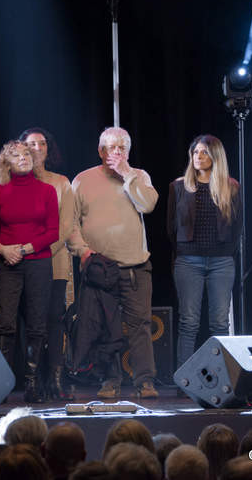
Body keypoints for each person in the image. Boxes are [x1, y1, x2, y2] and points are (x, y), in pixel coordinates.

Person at [67, 127, 159, 399]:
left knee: (140, 325)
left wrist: (127, 174)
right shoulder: (82, 180)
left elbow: (148, 205)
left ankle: (145, 381)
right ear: (100, 151)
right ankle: (109, 380)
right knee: (105, 328)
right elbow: (70, 223)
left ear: (128, 152)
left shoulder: (139, 176)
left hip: (135, 266)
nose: (115, 152)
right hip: (99, 268)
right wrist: (83, 252)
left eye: (121, 148)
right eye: (110, 147)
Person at [0, 140, 59, 403]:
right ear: (7, 163)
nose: (23, 158)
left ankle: (31, 384)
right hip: (9, 264)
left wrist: (28, 248)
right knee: (6, 325)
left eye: (26, 154)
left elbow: (53, 231)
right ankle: (4, 384)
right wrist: (4, 250)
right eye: (16, 155)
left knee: (37, 324)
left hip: (38, 262)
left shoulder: (47, 191)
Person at [168, 135, 241, 366]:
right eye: (195, 152)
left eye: (204, 152)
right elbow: (171, 227)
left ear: (215, 156)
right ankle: (185, 379)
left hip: (221, 261)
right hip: (188, 261)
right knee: (189, 322)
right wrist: (182, 250)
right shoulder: (179, 186)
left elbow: (237, 226)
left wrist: (227, 252)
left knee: (220, 323)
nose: (198, 157)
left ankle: (219, 376)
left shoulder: (231, 186)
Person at [20, 127, 75, 399]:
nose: (38, 148)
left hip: (53, 263)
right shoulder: (14, 182)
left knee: (55, 322)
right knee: (32, 323)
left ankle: (55, 382)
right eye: (32, 144)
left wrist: (39, 251)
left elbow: (65, 227)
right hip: (25, 266)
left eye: (42, 143)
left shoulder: (62, 182)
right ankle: (32, 383)